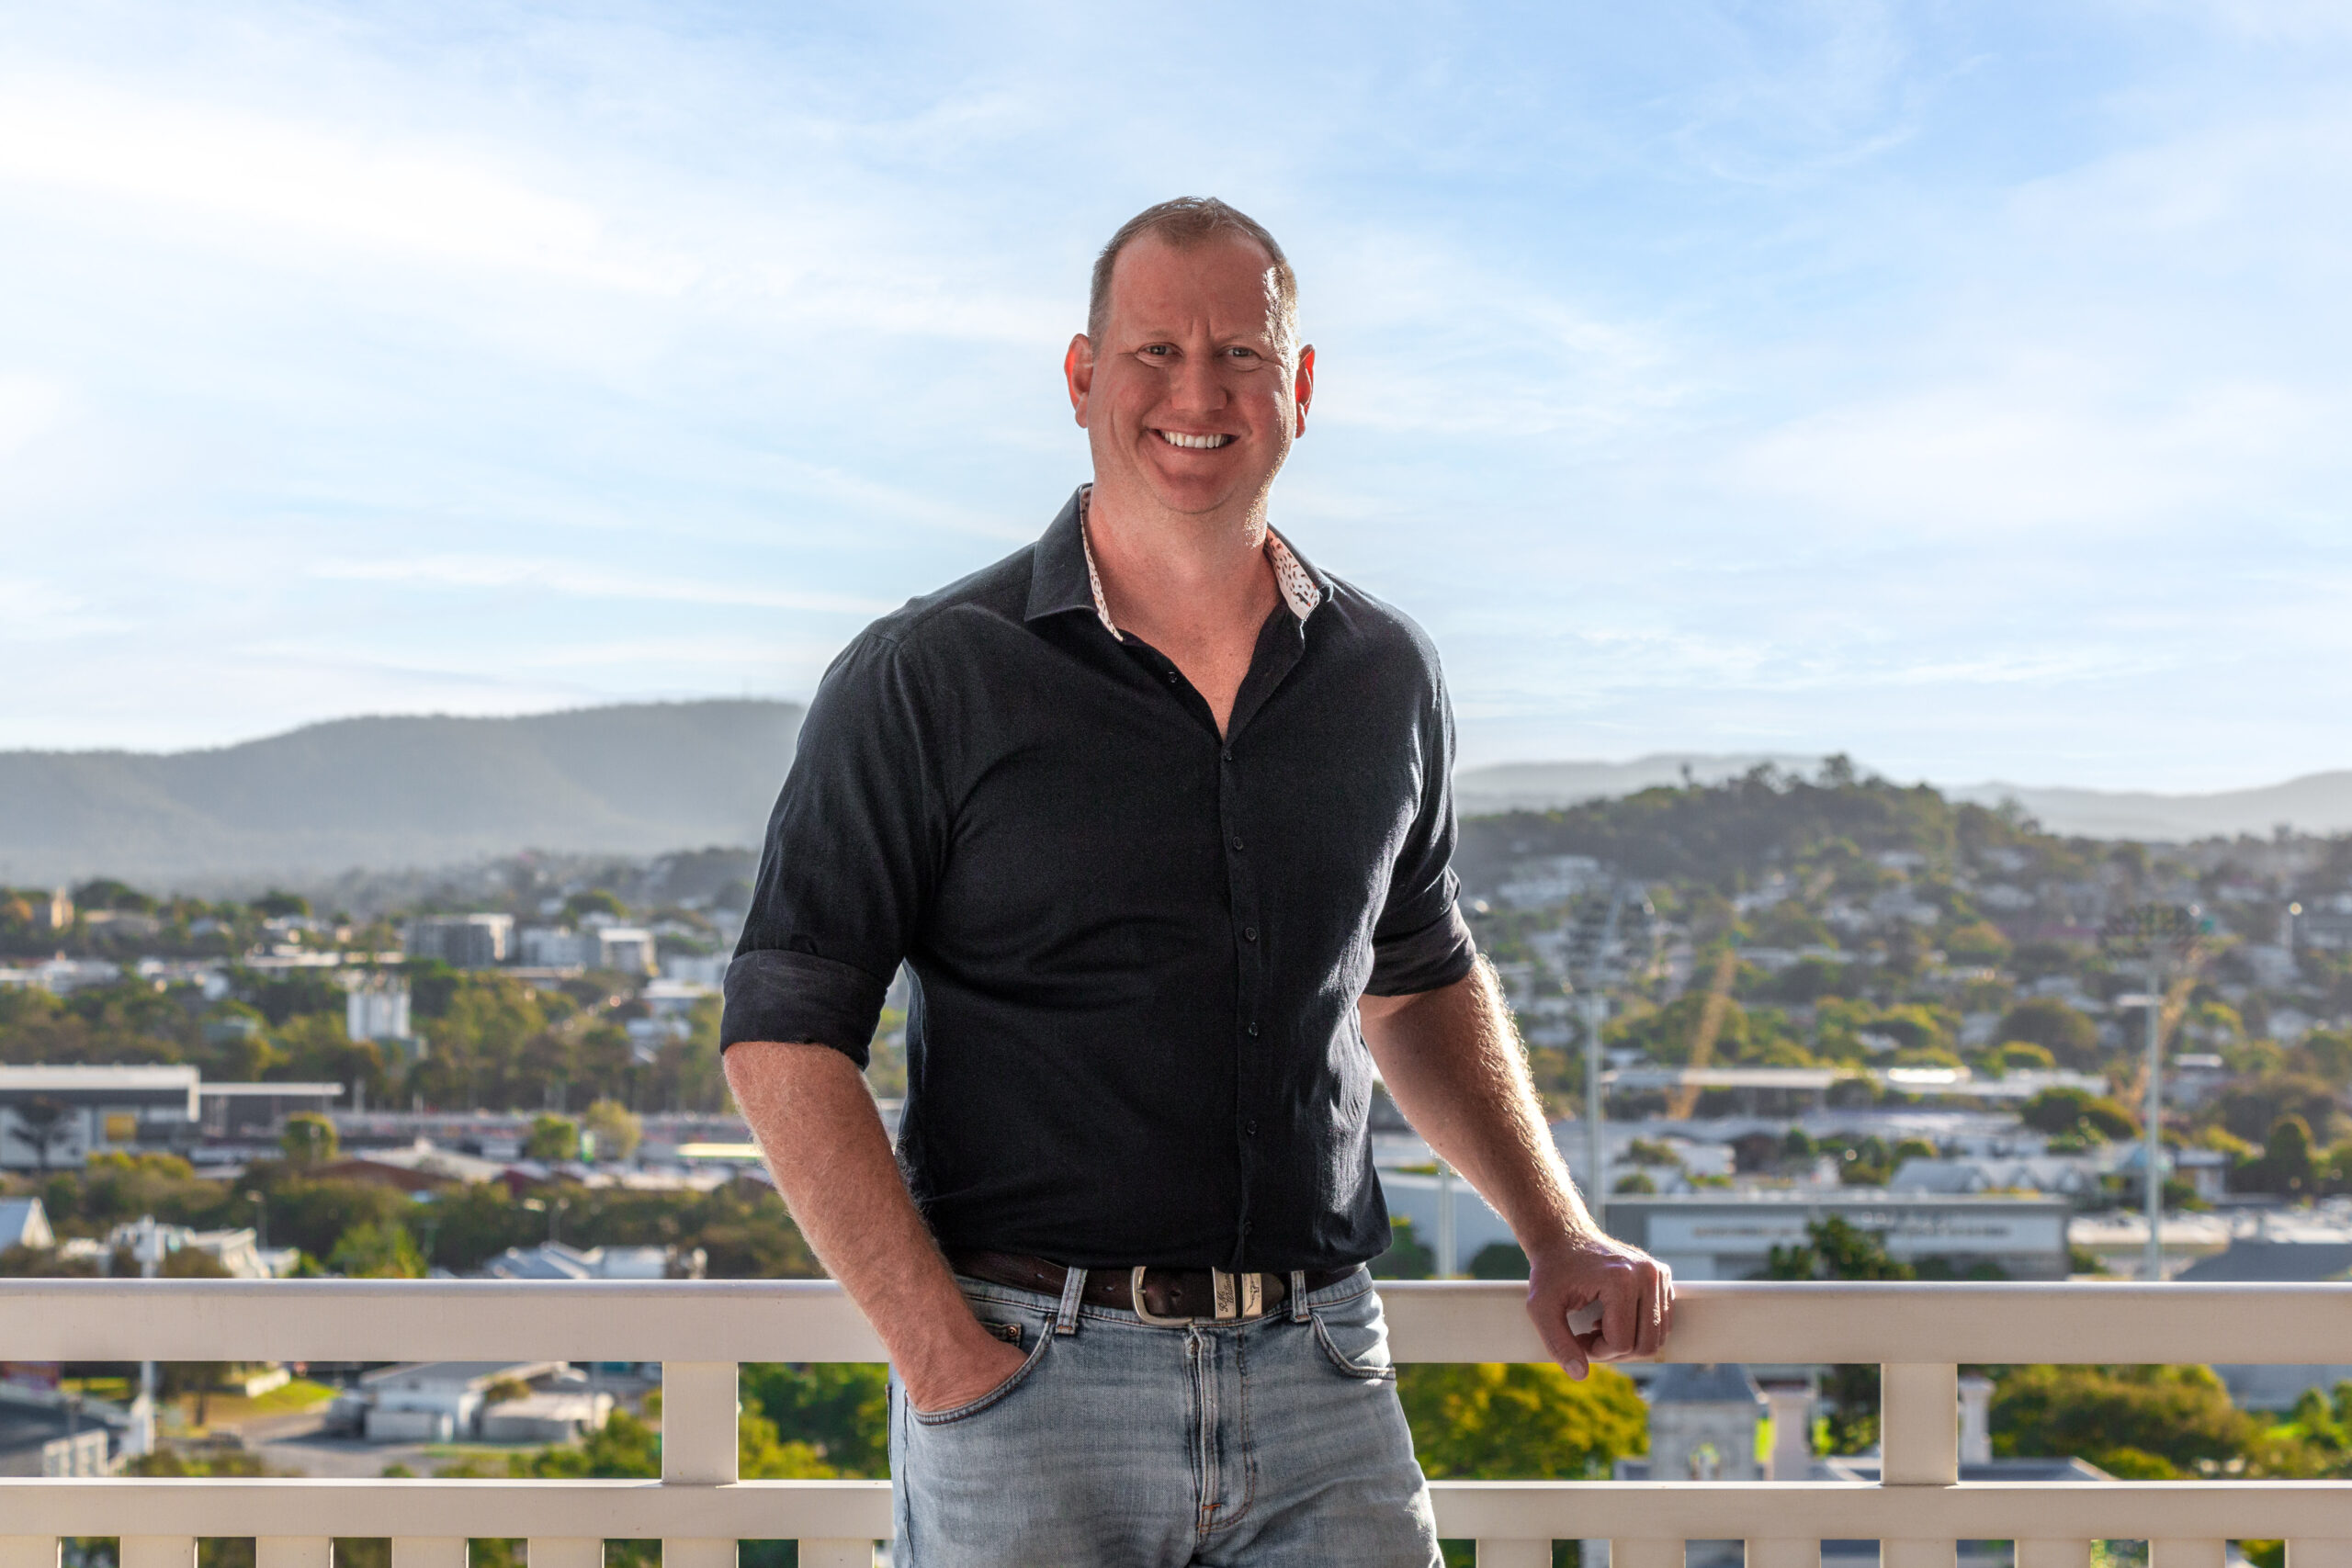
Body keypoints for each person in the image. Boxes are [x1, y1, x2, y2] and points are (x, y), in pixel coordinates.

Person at [721, 196, 1673, 1567]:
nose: (1196, 392)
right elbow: (785, 1031)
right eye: (1154, 351)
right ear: (1081, 378)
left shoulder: (1383, 676)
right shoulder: (928, 676)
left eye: (1240, 354)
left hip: (1323, 1380)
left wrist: (1558, 1230)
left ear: (1297, 390)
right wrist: (943, 1362)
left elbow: (1415, 976)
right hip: (1026, 1387)